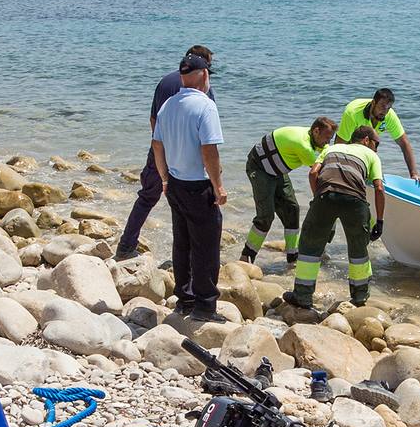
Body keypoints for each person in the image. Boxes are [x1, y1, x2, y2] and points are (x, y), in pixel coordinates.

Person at [116, 45, 215, 262]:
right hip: (187, 160)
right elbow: (207, 138)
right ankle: (190, 260)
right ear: (202, 66)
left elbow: (154, 119)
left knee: (147, 198)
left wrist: (162, 147)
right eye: (209, 64)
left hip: (160, 151)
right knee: (190, 208)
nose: (209, 70)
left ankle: (125, 246)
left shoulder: (166, 81)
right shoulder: (203, 91)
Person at [151, 53, 227, 322]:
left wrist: (163, 177)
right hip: (198, 185)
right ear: (205, 75)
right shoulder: (205, 106)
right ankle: (205, 306)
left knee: (182, 243)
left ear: (183, 77)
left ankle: (184, 299)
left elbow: (157, 144)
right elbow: (209, 150)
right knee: (206, 246)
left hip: (175, 184)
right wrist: (218, 186)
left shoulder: (168, 105)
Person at [284, 126, 386, 309]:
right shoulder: (372, 156)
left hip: (326, 196)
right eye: (376, 144)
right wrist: (379, 221)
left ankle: (302, 296)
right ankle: (359, 296)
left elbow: (313, 173)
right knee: (358, 249)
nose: (377, 149)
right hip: (355, 201)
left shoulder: (331, 148)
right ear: (365, 140)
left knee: (309, 246)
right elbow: (379, 188)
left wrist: (318, 199)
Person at [240, 117, 338, 268]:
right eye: (326, 138)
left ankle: (293, 256)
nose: (328, 142)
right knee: (265, 217)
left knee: (292, 209)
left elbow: (325, 152)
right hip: (259, 168)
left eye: (330, 139)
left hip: (278, 171)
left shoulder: (312, 137)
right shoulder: (303, 145)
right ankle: (246, 257)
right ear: (316, 131)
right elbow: (319, 169)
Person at [336, 89, 420, 183]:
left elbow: (404, 144)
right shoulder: (352, 113)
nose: (385, 111)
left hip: (368, 141)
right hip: (352, 136)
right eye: (382, 106)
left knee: (372, 151)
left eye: (388, 108)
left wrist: (414, 174)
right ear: (373, 103)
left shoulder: (389, 116)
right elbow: (339, 144)